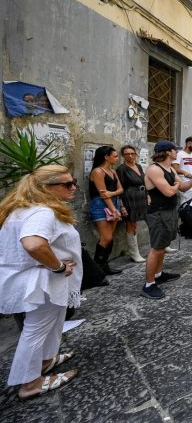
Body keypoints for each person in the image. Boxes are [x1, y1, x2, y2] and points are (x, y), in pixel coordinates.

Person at [0, 165, 82, 398]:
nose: (74, 187)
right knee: (36, 329)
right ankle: (30, 383)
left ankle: (45, 360)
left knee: (52, 322)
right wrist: (56, 266)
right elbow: (33, 243)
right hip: (41, 282)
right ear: (45, 188)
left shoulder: (19, 209)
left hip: (37, 279)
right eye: (67, 184)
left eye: (73, 181)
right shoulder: (43, 212)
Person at [142, 141, 192, 299]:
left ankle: (158, 274)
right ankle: (149, 284)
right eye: (175, 150)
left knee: (164, 244)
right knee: (156, 247)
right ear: (167, 152)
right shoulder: (154, 169)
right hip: (158, 213)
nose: (176, 153)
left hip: (169, 211)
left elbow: (183, 187)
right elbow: (168, 192)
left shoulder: (170, 168)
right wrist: (174, 186)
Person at [89, 145, 124, 275]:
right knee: (106, 237)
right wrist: (114, 209)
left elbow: (121, 190)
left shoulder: (113, 172)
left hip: (113, 203)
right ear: (106, 157)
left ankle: (104, 265)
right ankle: (95, 271)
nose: (117, 158)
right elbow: (103, 194)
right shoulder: (98, 172)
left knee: (109, 237)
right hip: (100, 204)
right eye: (115, 156)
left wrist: (112, 194)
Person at [116, 145, 148, 263]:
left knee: (147, 220)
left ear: (136, 154)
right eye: (127, 154)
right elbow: (120, 187)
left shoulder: (138, 166)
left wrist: (147, 195)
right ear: (123, 156)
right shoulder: (121, 169)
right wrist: (122, 205)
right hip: (129, 199)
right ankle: (134, 253)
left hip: (141, 198)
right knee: (131, 224)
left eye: (132, 153)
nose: (130, 156)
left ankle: (161, 246)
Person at [172, 137, 192, 203]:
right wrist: (184, 172)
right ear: (188, 144)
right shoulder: (179, 154)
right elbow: (174, 169)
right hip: (183, 186)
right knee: (183, 208)